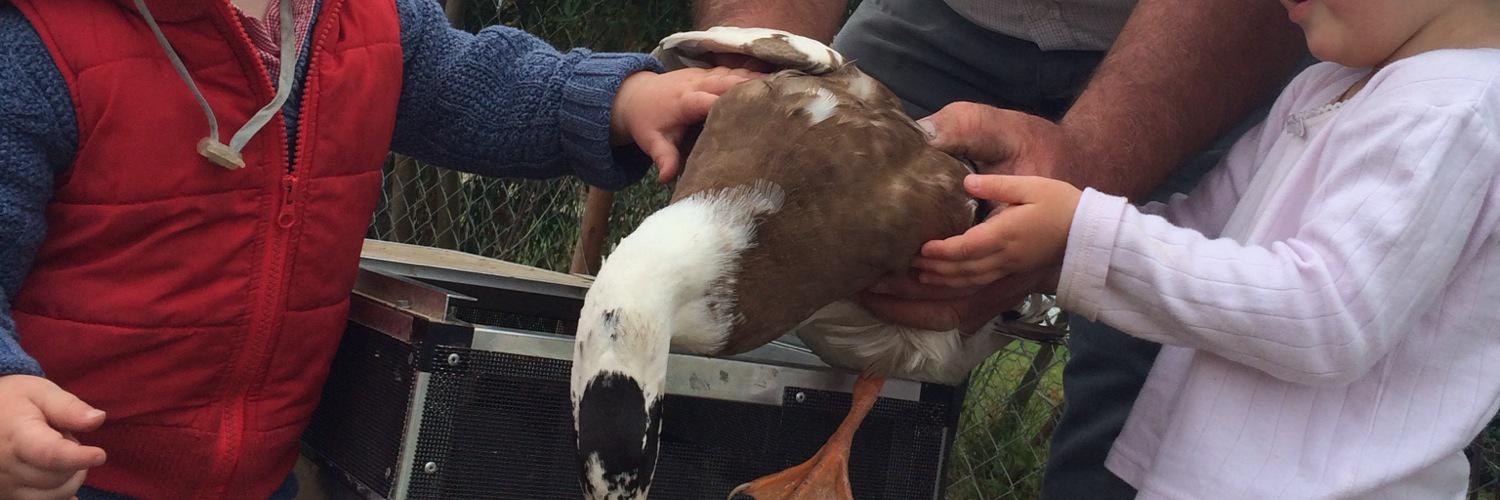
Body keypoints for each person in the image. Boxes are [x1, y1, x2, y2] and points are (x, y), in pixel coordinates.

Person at [0, 0, 752, 498]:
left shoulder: (366, 21)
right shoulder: (43, 41)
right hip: (67, 473)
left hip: (259, 478)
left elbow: (475, 86)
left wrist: (619, 100)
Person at [692, 0, 1304, 497]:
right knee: (775, 330)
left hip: (1217, 37)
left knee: (1153, 392)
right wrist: (754, 64)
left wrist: (1090, 181)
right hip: (942, 17)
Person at [914, 0, 1500, 496]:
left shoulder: (1455, 109)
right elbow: (1202, 234)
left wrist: (1087, 236)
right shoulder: (1330, 86)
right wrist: (1046, 244)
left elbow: (1327, 316)